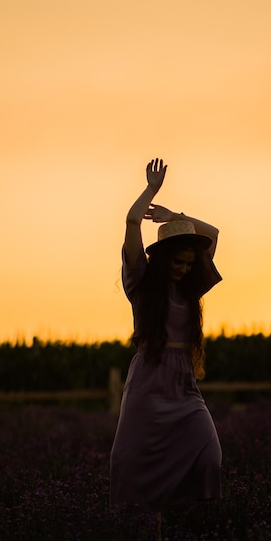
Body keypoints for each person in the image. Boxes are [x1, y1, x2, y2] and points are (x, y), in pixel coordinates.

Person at [110, 158, 222, 521]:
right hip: (147, 383)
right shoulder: (140, 286)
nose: (185, 268)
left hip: (184, 388)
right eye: (179, 262)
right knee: (133, 464)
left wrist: (177, 216)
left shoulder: (191, 290)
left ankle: (179, 519)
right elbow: (130, 222)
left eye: (190, 263)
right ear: (164, 260)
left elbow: (214, 234)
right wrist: (151, 190)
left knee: (209, 455)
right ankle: (144, 533)